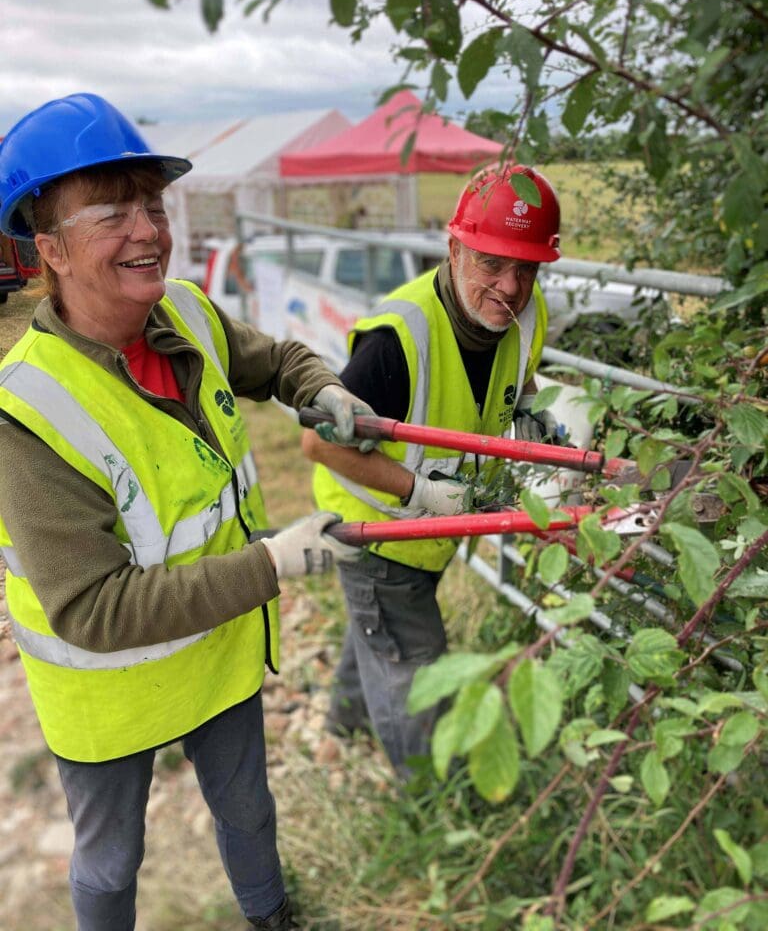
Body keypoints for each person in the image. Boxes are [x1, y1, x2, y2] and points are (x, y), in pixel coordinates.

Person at [0, 92, 376, 931]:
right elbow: (92, 609)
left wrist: (324, 391)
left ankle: (272, 918)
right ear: (49, 247)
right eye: (110, 210)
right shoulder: (28, 412)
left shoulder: (186, 317)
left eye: (153, 202)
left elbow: (277, 359)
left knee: (248, 810)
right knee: (110, 858)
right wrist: (274, 564)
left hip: (217, 651)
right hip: (108, 696)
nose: (147, 230)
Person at [301, 164, 562, 779]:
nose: (511, 286)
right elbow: (318, 444)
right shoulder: (398, 340)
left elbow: (516, 384)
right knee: (414, 666)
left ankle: (343, 723)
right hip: (376, 526)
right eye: (491, 263)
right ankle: (428, 799)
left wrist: (529, 415)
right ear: (454, 249)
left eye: (526, 268)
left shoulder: (526, 313)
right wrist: (420, 492)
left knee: (379, 632)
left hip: (428, 530)